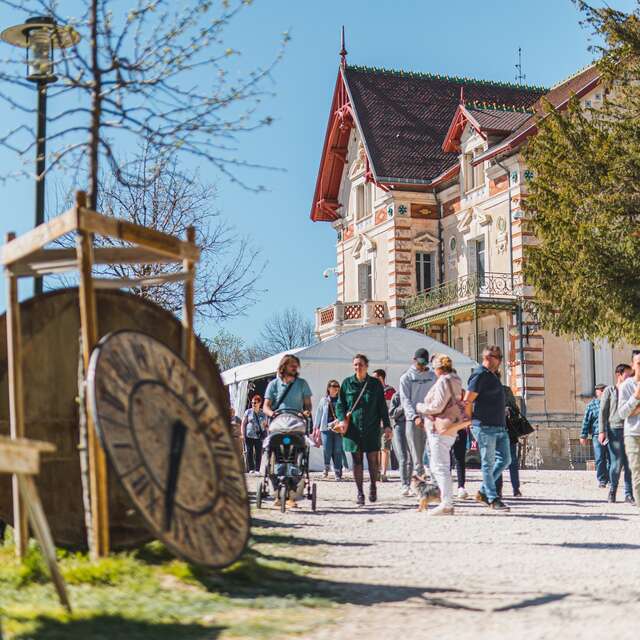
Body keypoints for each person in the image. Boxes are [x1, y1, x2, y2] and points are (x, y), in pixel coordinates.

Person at [336, 354, 392, 505]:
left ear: (367, 366)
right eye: (355, 364)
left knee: (373, 460)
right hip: (353, 428)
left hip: (372, 427)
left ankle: (373, 486)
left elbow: (382, 407)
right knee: (357, 460)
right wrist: (342, 420)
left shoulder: (374, 384)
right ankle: (360, 492)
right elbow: (340, 404)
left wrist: (387, 425)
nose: (357, 367)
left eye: (360, 364)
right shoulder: (347, 383)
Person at [464, 345, 511, 512]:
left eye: (494, 357)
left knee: (505, 460)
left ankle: (484, 491)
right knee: (488, 463)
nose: (492, 360)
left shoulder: (492, 376)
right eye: (489, 356)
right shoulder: (479, 375)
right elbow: (467, 400)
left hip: (499, 426)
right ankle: (492, 498)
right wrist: (469, 421)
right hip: (484, 426)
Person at [416, 354, 464, 515]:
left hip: (439, 427)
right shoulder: (456, 379)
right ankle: (446, 501)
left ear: (438, 368)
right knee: (442, 465)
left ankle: (447, 503)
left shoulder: (444, 380)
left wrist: (421, 407)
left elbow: (437, 406)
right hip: (451, 426)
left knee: (439, 467)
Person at [264, 354, 313, 507]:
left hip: (296, 422)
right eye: (292, 365)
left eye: (296, 365)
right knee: (277, 454)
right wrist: (272, 414)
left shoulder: (302, 384)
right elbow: (266, 406)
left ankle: (291, 494)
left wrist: (306, 412)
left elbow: (308, 405)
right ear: (284, 366)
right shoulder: (273, 384)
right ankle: (278, 493)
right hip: (278, 422)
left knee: (295, 454)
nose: (294, 368)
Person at [599, 364, 635, 504]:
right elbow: (603, 412)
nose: (630, 377)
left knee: (629, 463)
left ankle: (628, 494)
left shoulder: (631, 390)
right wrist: (602, 431)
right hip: (615, 429)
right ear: (619, 374)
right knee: (616, 463)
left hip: (629, 429)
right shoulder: (610, 390)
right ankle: (612, 490)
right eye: (627, 374)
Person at [399, 348, 437, 480]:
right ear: (414, 360)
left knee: (433, 453)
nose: (422, 366)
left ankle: (434, 484)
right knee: (415, 457)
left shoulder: (433, 376)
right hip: (413, 419)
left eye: (424, 363)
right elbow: (405, 400)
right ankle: (412, 484)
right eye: (420, 363)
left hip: (430, 418)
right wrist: (414, 416)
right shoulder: (406, 377)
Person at [617, 352, 640, 509]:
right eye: (639, 363)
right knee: (637, 473)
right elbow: (623, 413)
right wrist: (636, 397)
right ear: (633, 365)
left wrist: (635, 409)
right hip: (633, 434)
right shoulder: (627, 386)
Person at [496, 380, 523, 498]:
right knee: (510, 460)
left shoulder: (503, 390)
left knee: (500, 460)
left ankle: (501, 489)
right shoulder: (505, 390)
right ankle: (514, 488)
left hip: (500, 429)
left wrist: (509, 410)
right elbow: (516, 410)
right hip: (505, 430)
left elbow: (515, 410)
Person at [314, 380, 344, 480]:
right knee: (327, 449)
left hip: (338, 427)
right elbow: (318, 414)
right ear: (328, 388)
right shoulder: (324, 400)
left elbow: (345, 413)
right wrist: (316, 428)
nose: (336, 388)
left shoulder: (342, 400)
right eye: (333, 386)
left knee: (338, 450)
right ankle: (326, 467)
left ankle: (338, 472)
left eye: (337, 386)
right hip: (325, 428)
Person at [580, 384, 609, 488]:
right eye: (601, 390)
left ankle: (610, 478)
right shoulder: (591, 405)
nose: (603, 392)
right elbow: (586, 421)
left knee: (611, 458)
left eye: (604, 390)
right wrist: (583, 436)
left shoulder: (611, 403)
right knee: (599, 458)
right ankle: (602, 480)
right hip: (597, 435)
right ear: (597, 392)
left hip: (611, 434)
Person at [373, 369, 395, 482]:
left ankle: (384, 473)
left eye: (375, 377)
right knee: (376, 449)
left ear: (381, 377)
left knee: (385, 449)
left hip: (386, 424)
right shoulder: (371, 390)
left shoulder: (390, 391)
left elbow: (393, 408)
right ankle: (377, 472)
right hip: (374, 425)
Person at [389, 390, 413, 496]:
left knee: (412, 457)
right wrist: (403, 406)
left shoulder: (414, 394)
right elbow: (391, 413)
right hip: (399, 426)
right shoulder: (397, 396)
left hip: (412, 425)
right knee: (403, 456)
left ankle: (410, 483)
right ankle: (404, 485)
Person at [241, 396, 267, 475]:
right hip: (249, 435)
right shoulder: (248, 412)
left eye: (255, 403)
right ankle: (251, 469)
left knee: (258, 453)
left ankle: (257, 469)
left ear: (259, 403)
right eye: (252, 402)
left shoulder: (263, 413)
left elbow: (265, 425)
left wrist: (266, 434)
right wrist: (242, 434)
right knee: (249, 452)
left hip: (259, 436)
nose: (253, 404)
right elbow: (243, 424)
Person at [451, 429, 469, 499]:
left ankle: (461, 487)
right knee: (447, 460)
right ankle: (447, 488)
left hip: (460, 427)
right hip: (446, 428)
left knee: (460, 458)